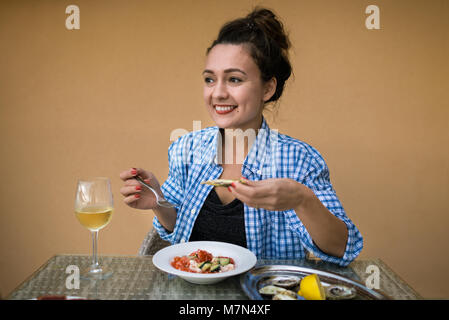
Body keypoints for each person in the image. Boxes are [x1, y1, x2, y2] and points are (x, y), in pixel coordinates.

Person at [119, 7, 363, 266]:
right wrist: (158, 201)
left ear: (268, 88)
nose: (218, 93)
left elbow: (343, 250)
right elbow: (178, 230)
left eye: (234, 79)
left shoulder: (300, 161)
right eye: (210, 79)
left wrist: (302, 199)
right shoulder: (185, 148)